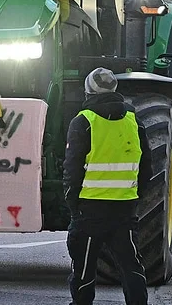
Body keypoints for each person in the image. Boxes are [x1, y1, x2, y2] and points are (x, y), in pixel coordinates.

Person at [64, 67, 151, 305]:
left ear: (88, 91)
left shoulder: (83, 122)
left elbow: (72, 169)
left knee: (84, 271)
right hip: (124, 209)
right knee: (131, 267)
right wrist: (134, 197)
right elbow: (147, 166)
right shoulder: (134, 119)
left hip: (90, 211)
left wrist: (73, 206)